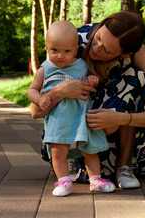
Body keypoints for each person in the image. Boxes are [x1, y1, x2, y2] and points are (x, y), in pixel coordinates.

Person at [31, 11, 145, 189]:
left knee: (137, 77)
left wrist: (119, 118)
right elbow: (35, 112)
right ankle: (72, 162)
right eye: (97, 39)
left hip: (108, 127)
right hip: (68, 131)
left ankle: (124, 166)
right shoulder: (69, 42)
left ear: (125, 54)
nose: (95, 48)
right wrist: (60, 91)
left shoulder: (138, 53)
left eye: (106, 50)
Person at [28, 20, 116, 197]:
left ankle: (96, 179)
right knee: (58, 151)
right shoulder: (44, 69)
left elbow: (93, 79)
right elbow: (31, 90)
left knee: (89, 150)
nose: (60, 56)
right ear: (47, 47)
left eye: (66, 51)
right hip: (58, 119)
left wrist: (93, 80)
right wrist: (40, 98)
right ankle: (64, 181)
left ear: (75, 50)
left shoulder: (82, 65)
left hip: (82, 118)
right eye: (55, 50)